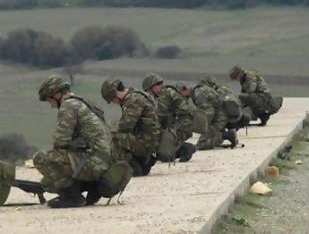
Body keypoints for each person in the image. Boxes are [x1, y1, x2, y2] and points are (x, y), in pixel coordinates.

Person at [34, 75, 131, 208]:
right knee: (49, 182)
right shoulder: (83, 103)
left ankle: (72, 197)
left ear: (57, 94)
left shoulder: (68, 105)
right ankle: (93, 187)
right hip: (106, 164)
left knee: (41, 159)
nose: (51, 106)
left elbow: (60, 141)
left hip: (94, 163)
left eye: (49, 100)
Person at [101, 78, 160, 176]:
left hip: (146, 143)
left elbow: (125, 126)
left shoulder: (133, 100)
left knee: (114, 137)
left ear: (116, 93)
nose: (114, 103)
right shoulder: (136, 95)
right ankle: (141, 163)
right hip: (150, 142)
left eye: (112, 99)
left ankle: (130, 166)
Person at [142, 73, 195, 162]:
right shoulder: (169, 91)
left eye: (149, 91)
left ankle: (186, 148)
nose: (150, 94)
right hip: (186, 122)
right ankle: (183, 147)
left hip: (184, 124)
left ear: (154, 86)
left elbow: (161, 116)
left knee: (164, 155)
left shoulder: (164, 94)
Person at [189, 78, 238, 150]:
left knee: (201, 145)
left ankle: (227, 135)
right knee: (207, 138)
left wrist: (204, 127)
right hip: (221, 115)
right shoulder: (202, 90)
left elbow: (209, 112)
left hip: (220, 117)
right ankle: (225, 135)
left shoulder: (199, 94)